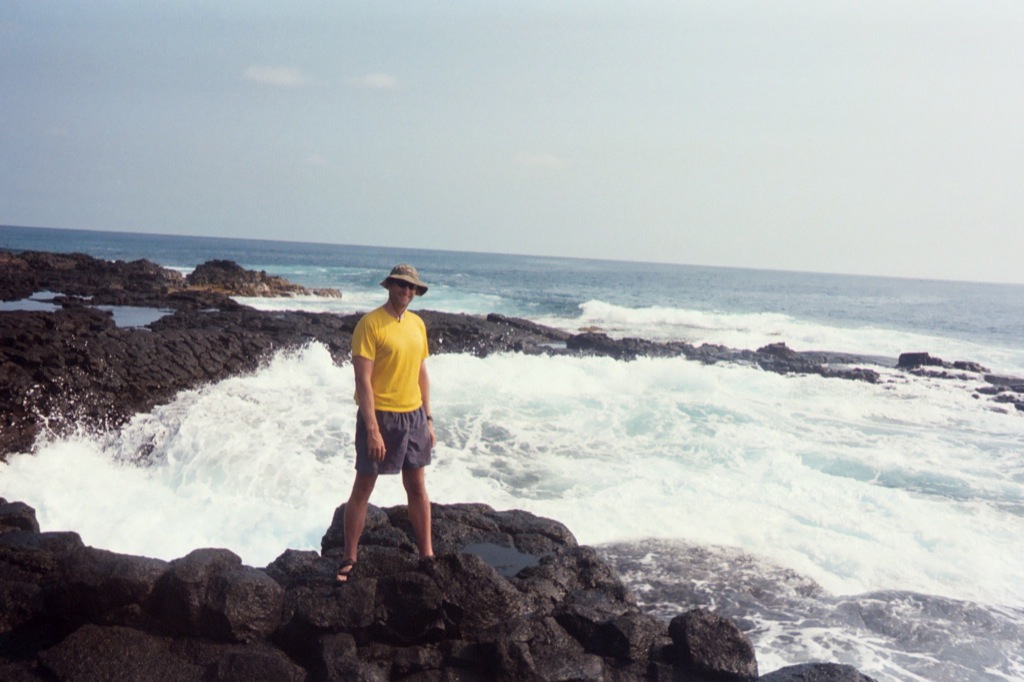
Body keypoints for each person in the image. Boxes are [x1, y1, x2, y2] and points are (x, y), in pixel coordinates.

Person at [337, 264, 436, 582]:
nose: (407, 292)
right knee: (363, 487)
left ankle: (427, 555)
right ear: (390, 286)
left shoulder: (417, 325)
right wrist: (372, 429)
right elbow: (363, 381)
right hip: (380, 416)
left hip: (414, 416)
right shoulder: (370, 325)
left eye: (412, 288)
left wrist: (429, 419)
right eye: (402, 286)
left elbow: (421, 373)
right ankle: (349, 557)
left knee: (417, 487)